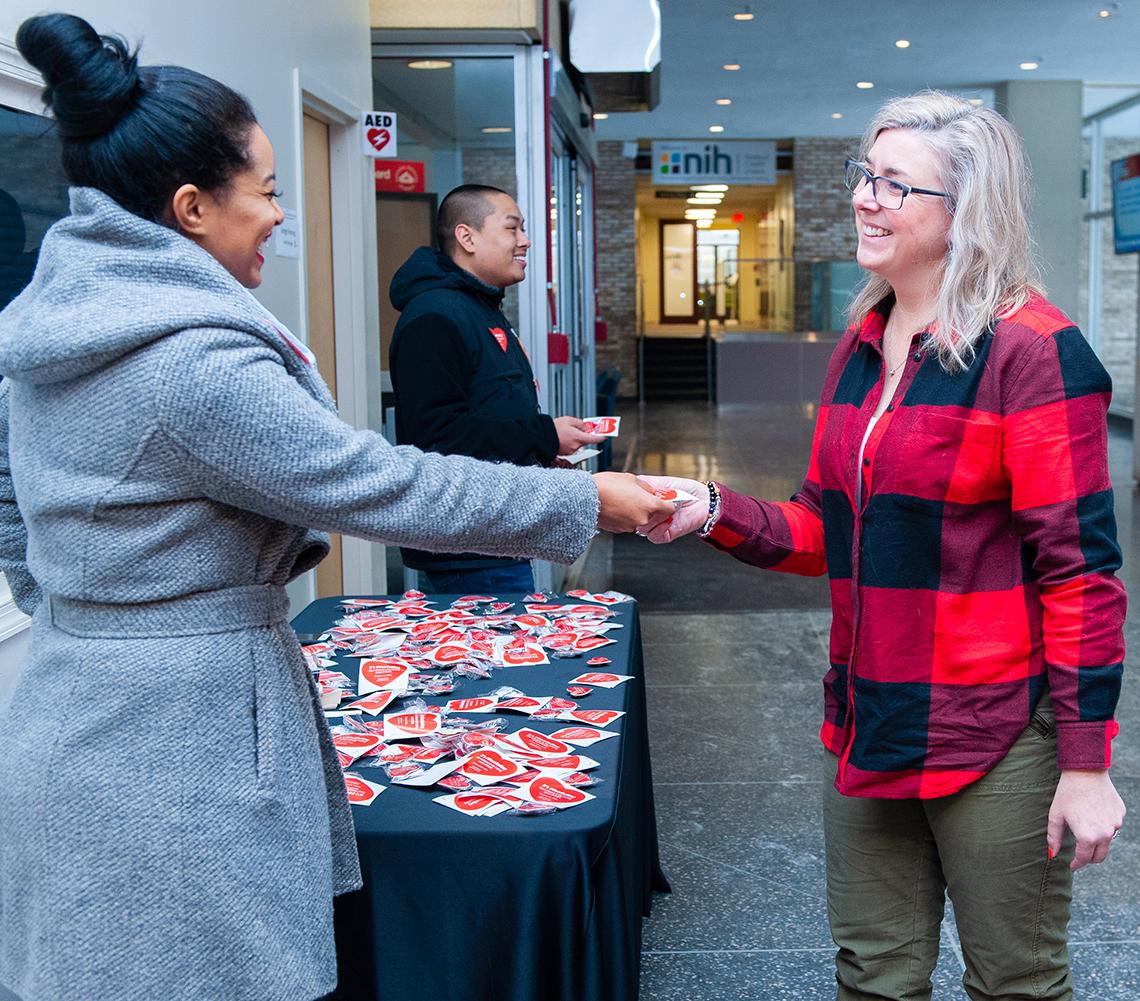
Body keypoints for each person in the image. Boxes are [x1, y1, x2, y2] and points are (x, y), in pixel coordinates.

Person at [0, 15, 673, 1001]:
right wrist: (581, 498)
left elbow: (12, 509)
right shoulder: (192, 360)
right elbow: (384, 481)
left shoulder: (45, 329)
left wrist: (97, 611)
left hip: (68, 712)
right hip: (181, 738)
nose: (280, 215)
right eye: (268, 191)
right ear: (191, 207)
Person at [641, 91, 1126, 1001]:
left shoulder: (1032, 351)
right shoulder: (864, 344)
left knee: (1016, 981)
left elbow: (1082, 573)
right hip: (868, 719)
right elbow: (828, 528)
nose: (865, 198)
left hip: (995, 733)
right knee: (873, 976)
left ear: (964, 213)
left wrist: (1088, 764)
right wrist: (708, 507)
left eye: (896, 185)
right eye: (869, 175)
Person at [388, 184, 605, 594]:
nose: (524, 241)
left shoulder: (480, 308)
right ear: (466, 237)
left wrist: (538, 454)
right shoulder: (435, 317)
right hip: (468, 549)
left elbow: (488, 413)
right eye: (512, 229)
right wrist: (544, 435)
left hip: (497, 531)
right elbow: (437, 439)